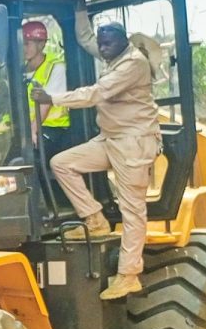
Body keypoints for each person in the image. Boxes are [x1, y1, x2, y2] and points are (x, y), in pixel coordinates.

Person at [31, 21, 161, 300]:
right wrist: (78, 9)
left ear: (124, 40)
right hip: (110, 139)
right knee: (62, 163)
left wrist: (51, 98)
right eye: (100, 43)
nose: (102, 48)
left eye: (108, 43)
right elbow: (87, 39)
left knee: (132, 210)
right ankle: (94, 220)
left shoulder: (134, 64)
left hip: (133, 142)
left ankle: (128, 275)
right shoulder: (112, 55)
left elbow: (96, 94)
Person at [21, 19, 70, 158]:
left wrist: (32, 130)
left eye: (27, 44)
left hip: (54, 130)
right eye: (21, 43)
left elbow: (45, 104)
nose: (23, 48)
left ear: (41, 44)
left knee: (31, 156)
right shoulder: (20, 70)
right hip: (28, 127)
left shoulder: (56, 68)